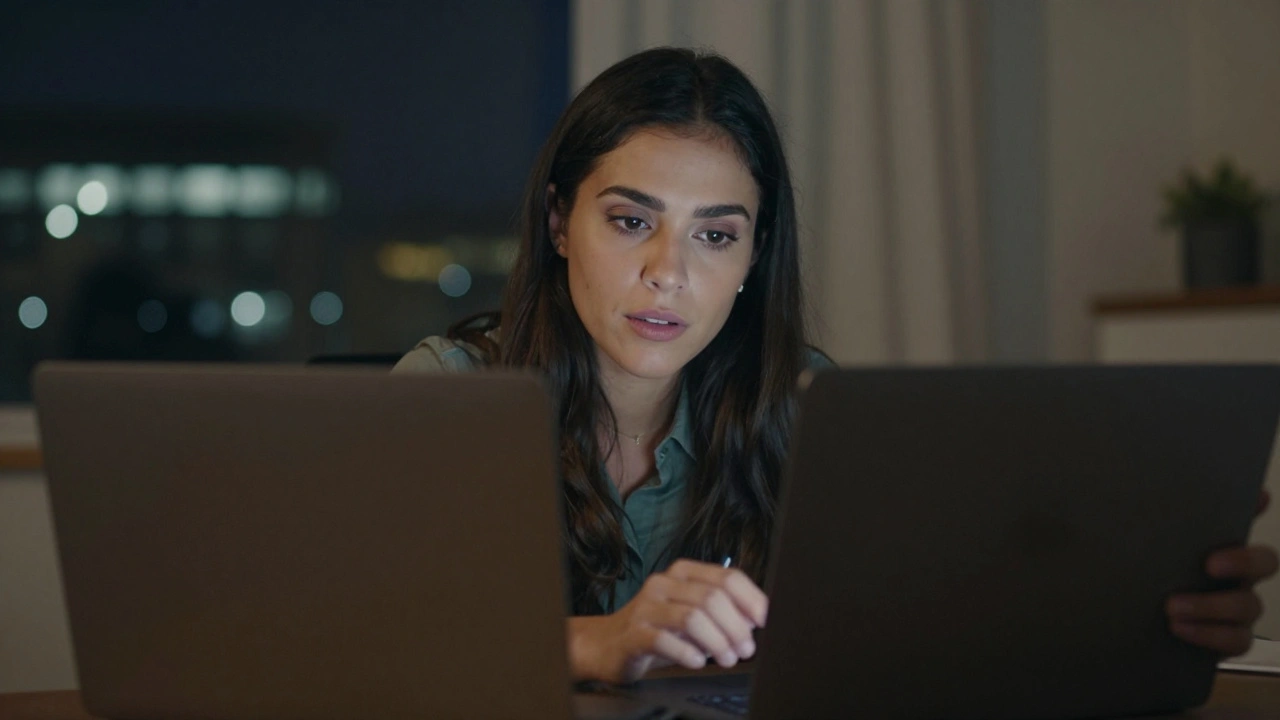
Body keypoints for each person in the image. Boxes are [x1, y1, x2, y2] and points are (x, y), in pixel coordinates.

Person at [393, 47, 1278, 684]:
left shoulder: (805, 401)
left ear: (752, 257)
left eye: (715, 234)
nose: (669, 270)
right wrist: (599, 642)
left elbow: (925, 624)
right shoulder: (451, 392)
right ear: (558, 224)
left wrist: (1144, 621)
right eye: (630, 221)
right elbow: (367, 640)